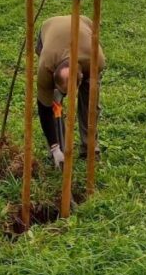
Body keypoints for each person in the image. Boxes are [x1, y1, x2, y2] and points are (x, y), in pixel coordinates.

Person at [35, 15, 106, 166]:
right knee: (53, 103)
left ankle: (89, 149)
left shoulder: (95, 61)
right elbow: (44, 108)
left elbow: (91, 104)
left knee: (90, 104)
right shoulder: (46, 67)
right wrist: (55, 148)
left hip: (83, 23)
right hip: (49, 28)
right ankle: (57, 149)